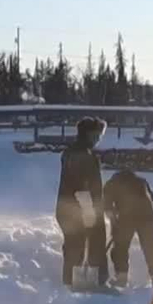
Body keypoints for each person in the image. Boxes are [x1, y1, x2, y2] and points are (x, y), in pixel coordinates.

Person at [56, 117, 108, 287]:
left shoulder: (73, 152)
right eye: (98, 134)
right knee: (88, 245)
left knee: (75, 245)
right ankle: (84, 284)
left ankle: (73, 283)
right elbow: (80, 186)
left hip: (68, 209)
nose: (99, 138)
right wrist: (89, 211)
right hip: (79, 209)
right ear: (89, 134)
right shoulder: (81, 155)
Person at [104, 169, 153, 286]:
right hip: (147, 216)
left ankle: (121, 279)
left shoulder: (111, 184)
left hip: (126, 218)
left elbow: (106, 206)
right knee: (151, 248)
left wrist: (114, 222)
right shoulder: (141, 181)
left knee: (120, 248)